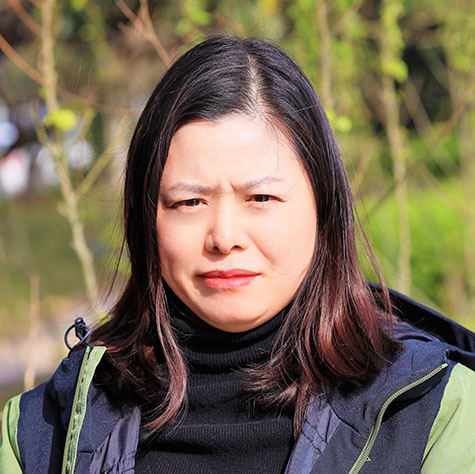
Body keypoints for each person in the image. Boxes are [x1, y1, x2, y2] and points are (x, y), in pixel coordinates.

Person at [1, 36, 474, 474]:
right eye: (190, 202)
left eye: (261, 198)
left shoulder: (435, 413)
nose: (224, 237)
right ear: (146, 221)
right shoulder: (41, 433)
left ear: (323, 209)